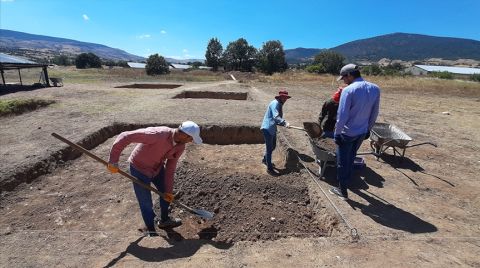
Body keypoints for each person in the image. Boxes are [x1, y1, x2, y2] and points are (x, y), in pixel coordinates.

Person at [107, 121, 202, 236]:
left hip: (157, 169)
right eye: (191, 138)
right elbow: (125, 136)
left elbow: (170, 168)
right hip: (139, 169)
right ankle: (151, 230)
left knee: (166, 194)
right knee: (146, 202)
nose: (191, 141)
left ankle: (164, 220)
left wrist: (168, 191)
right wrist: (113, 161)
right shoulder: (157, 134)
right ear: (184, 135)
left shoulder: (180, 146)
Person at [330, 64, 380, 200]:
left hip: (347, 133)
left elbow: (342, 115)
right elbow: (374, 113)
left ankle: (342, 190)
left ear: (350, 75)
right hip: (362, 132)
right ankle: (347, 181)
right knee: (352, 157)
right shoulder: (375, 89)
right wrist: (368, 129)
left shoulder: (349, 90)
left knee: (342, 162)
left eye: (344, 78)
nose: (344, 81)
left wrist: (337, 133)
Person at [260, 90, 291, 176]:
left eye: (286, 98)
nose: (285, 99)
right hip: (268, 128)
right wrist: (284, 122)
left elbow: (276, 119)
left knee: (273, 146)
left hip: (272, 128)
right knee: (269, 149)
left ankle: (264, 160)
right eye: (283, 97)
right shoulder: (275, 103)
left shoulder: (278, 103)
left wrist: (282, 123)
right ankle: (269, 169)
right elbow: (276, 116)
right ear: (280, 97)